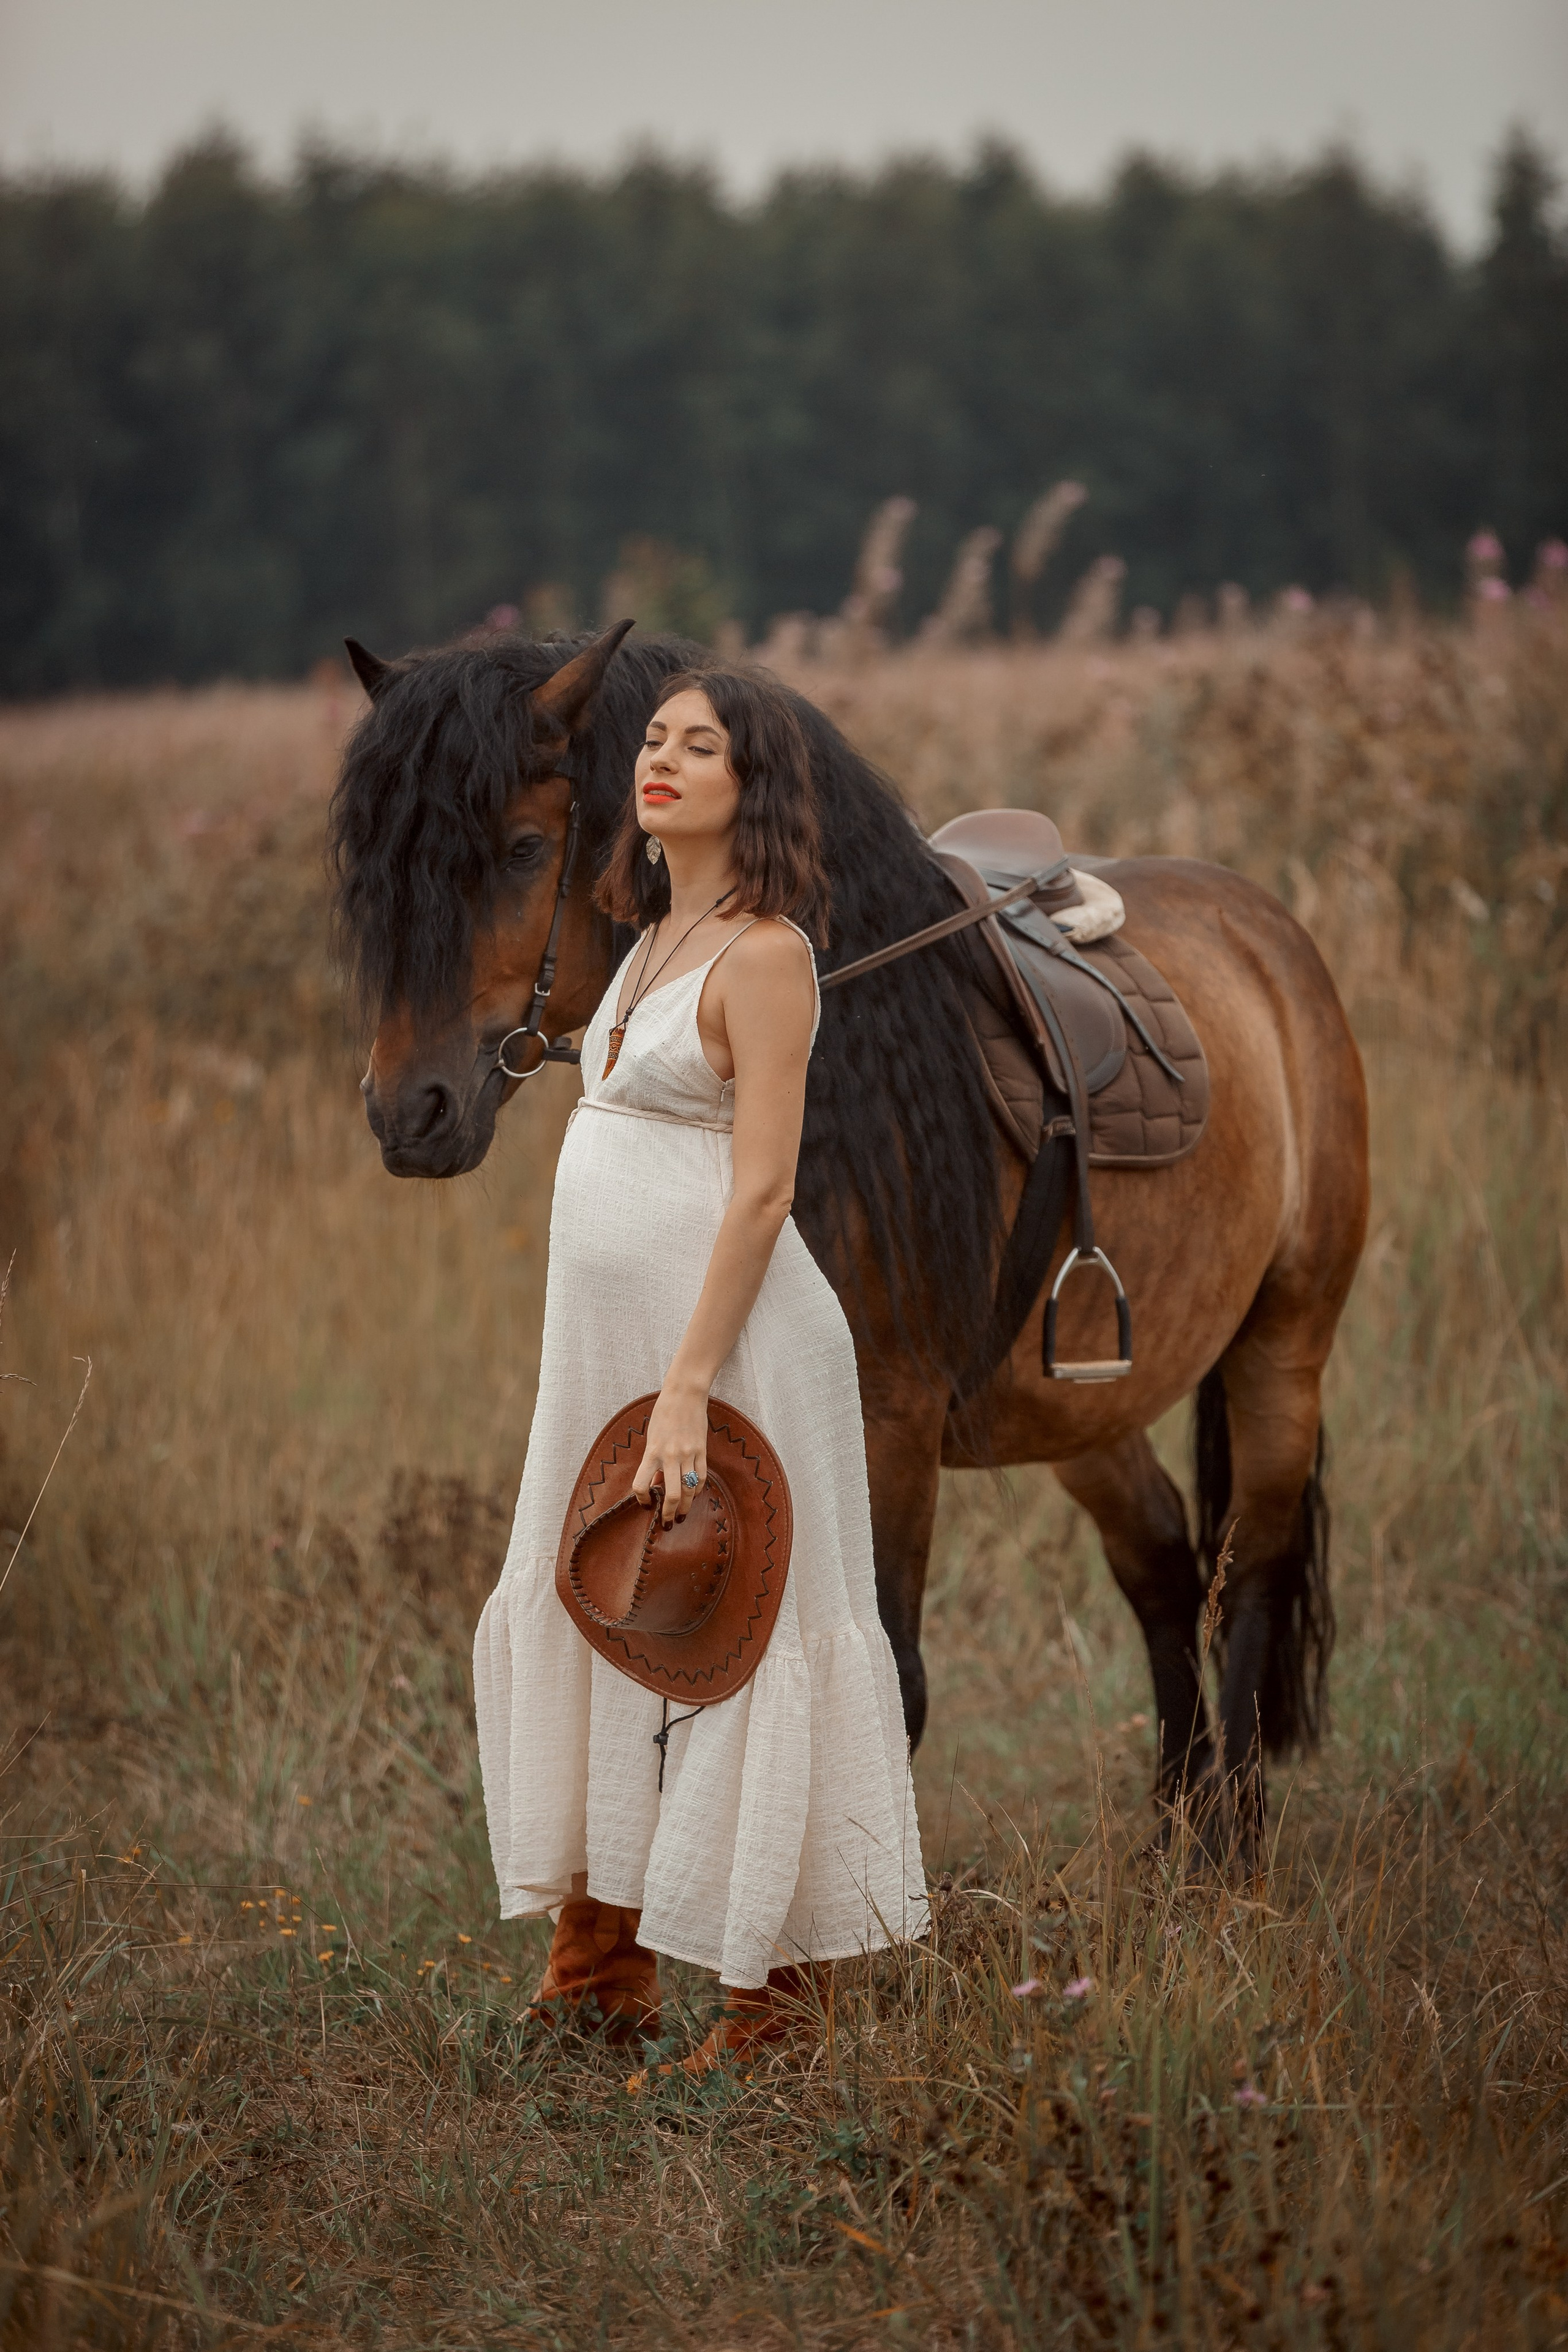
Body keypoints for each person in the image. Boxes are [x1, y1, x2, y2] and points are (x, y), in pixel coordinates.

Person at [472, 665, 927, 2080]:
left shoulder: (767, 954)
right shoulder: (646, 934)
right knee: (612, 1599)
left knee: (737, 1633)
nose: (660, 762)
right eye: (653, 740)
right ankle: (598, 1974)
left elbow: (761, 1189)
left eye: (700, 746)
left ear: (755, 785)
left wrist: (686, 1381)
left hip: (724, 1349)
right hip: (607, 1352)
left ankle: (771, 2016)